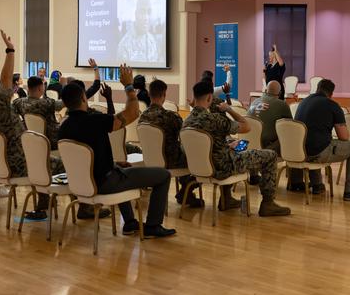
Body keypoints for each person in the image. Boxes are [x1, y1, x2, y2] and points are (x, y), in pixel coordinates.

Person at [58, 65, 176, 238]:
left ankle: (129, 223)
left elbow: (85, 158)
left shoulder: (63, 127)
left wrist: (112, 163)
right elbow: (133, 113)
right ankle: (153, 226)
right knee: (163, 175)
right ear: (84, 98)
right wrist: (129, 86)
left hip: (81, 185)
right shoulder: (94, 120)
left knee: (120, 170)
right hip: (104, 183)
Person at [0, 30, 63, 220]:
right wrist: (10, 51)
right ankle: (82, 207)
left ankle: (44, 203)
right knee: (61, 163)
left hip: (0, 165)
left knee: (42, 158)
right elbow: (6, 79)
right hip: (20, 164)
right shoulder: (0, 109)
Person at [183, 80, 291, 217]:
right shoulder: (215, 119)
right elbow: (246, 126)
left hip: (199, 168)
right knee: (270, 155)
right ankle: (268, 204)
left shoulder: (186, 122)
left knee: (235, 147)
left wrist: (225, 145)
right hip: (224, 167)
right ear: (210, 97)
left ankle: (226, 199)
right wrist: (229, 109)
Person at [294, 78, 350, 201]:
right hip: (317, 152)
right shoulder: (332, 105)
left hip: (300, 151)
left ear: (317, 88)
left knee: (316, 140)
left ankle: (317, 185)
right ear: (331, 93)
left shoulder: (303, 102)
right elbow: (344, 137)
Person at [138, 78, 203, 208]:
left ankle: (186, 193)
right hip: (171, 161)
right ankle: (186, 191)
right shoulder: (170, 117)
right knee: (202, 160)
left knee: (185, 155)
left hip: (150, 161)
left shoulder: (142, 117)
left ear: (150, 94)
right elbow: (186, 134)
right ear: (164, 95)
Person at [13, 76, 65, 147]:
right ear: (40, 88)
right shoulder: (47, 103)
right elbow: (62, 104)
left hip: (30, 138)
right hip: (50, 141)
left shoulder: (19, 102)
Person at [248, 80, 293, 151]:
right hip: (267, 146)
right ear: (280, 93)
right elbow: (290, 126)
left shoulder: (254, 101)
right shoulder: (282, 104)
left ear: (266, 90)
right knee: (290, 132)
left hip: (250, 141)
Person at [117, 0, 160, 64]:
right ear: (136, 14)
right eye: (142, 12)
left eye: (149, 12)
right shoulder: (124, 44)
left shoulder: (152, 41)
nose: (146, 18)